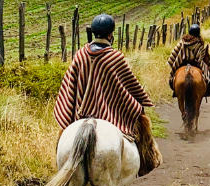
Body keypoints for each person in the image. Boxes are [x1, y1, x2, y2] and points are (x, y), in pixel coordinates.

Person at [54, 13, 162, 176]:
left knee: (64, 131)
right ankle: (146, 163)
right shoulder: (115, 56)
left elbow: (70, 85)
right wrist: (140, 99)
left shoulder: (80, 54)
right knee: (139, 115)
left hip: (80, 112)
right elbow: (129, 84)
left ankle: (58, 163)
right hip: (110, 114)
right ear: (111, 34)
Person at [168, 24, 210, 97]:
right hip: (195, 64)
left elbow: (174, 55)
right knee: (209, 74)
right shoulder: (199, 43)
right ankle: (207, 90)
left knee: (172, 77)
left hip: (181, 63)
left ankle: (174, 89)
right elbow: (200, 59)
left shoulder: (182, 42)